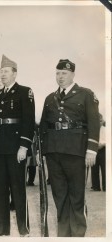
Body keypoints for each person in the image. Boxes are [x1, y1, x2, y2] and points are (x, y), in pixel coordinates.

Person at [40, 59, 100, 237]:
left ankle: (78, 233)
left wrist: (92, 149)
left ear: (73, 74)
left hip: (76, 151)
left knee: (76, 195)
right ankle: (64, 234)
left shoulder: (85, 94)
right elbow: (43, 126)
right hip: (54, 151)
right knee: (59, 195)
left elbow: (93, 123)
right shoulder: (50, 98)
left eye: (64, 73)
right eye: (58, 73)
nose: (60, 77)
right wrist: (42, 151)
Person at [0, 55, 35, 237]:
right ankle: (0, 229)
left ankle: (23, 229)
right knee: (1, 188)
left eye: (6, 71)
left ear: (14, 73)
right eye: (1, 71)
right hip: (0, 148)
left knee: (18, 187)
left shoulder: (25, 92)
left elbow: (28, 121)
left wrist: (24, 147)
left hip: (16, 147)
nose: (2, 74)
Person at [91, 114, 106, 191]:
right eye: (97, 120)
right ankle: (95, 186)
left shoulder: (106, 129)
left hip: (104, 149)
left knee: (105, 168)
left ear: (102, 120)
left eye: (100, 120)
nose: (99, 122)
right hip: (95, 149)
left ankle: (106, 186)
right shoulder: (93, 129)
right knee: (94, 167)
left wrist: (103, 144)